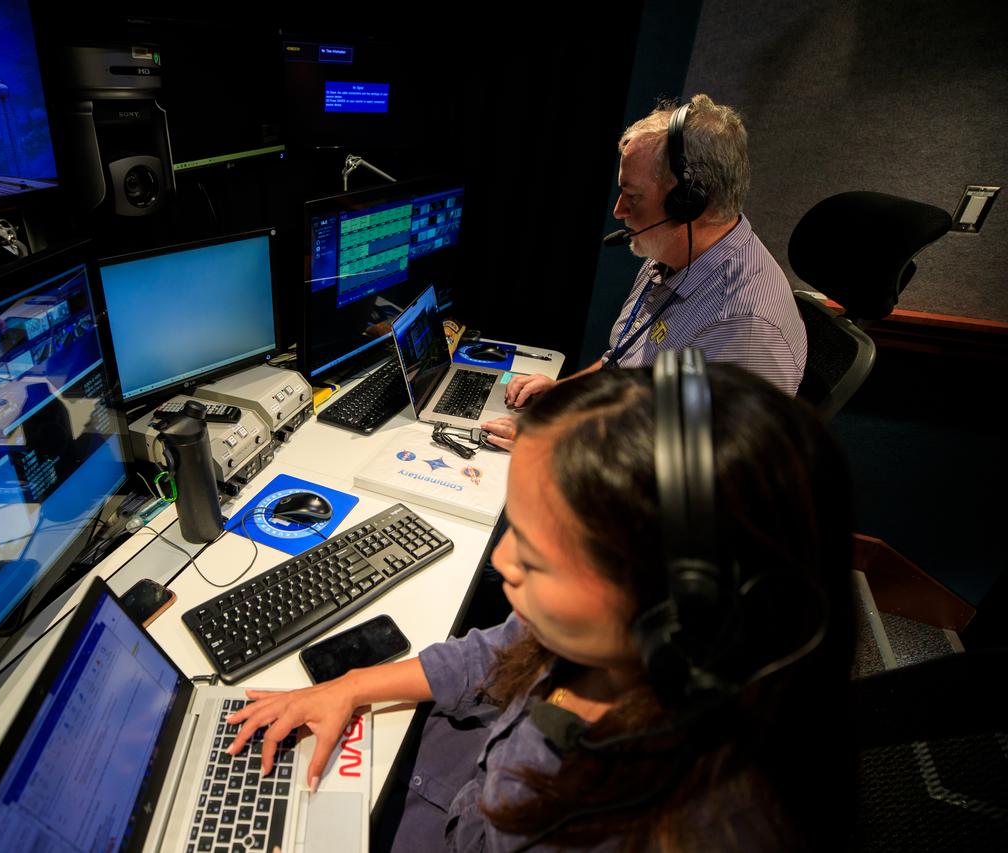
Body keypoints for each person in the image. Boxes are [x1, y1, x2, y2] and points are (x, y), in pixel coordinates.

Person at [224, 355, 855, 851]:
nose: (501, 564)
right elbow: (499, 649)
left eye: (532, 550)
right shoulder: (616, 647)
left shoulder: (617, 823)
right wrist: (354, 685)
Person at [484, 95, 807, 451]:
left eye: (633, 197)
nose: (618, 211)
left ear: (688, 203)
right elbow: (622, 363)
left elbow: (687, 471)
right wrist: (564, 396)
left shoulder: (743, 331)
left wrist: (553, 442)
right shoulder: (672, 253)